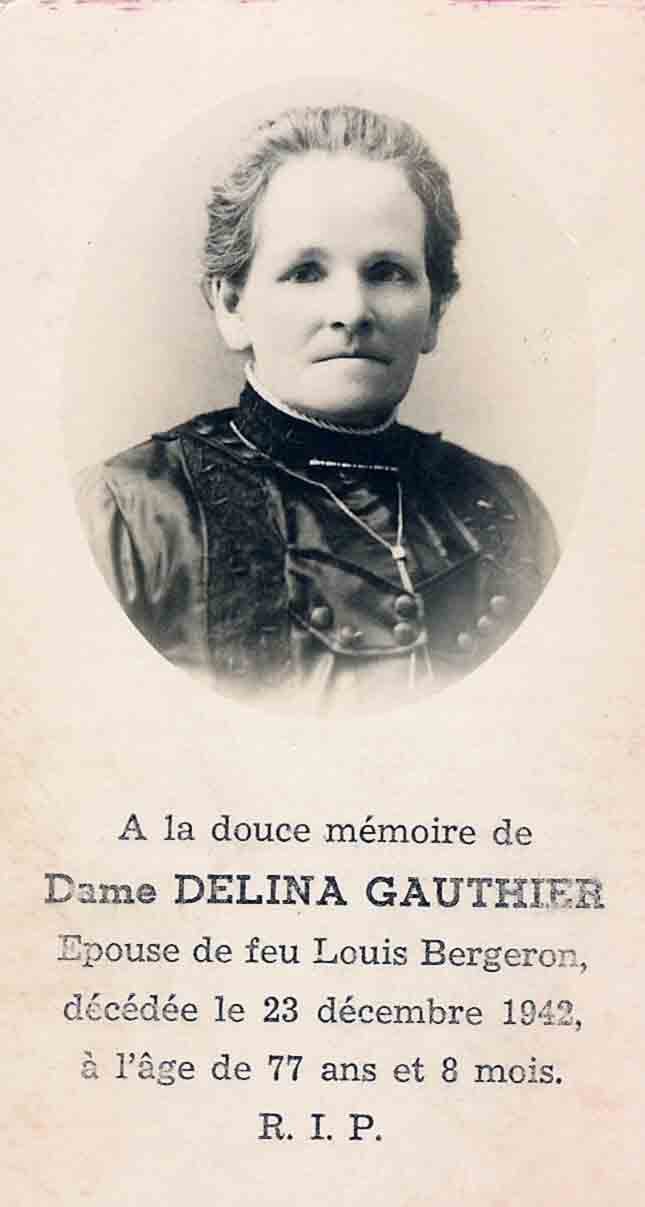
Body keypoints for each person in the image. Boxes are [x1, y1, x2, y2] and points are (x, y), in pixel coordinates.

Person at [77, 104, 559, 712]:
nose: (352, 311)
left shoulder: (507, 510)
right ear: (231, 304)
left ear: (436, 308)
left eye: (387, 272)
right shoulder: (131, 516)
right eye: (306, 272)